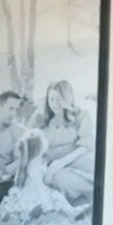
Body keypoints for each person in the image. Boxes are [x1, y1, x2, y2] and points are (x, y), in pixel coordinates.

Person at [35, 79, 95, 209]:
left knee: (92, 168)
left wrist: (60, 163)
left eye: (59, 99)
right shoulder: (45, 122)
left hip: (78, 159)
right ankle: (79, 200)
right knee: (58, 179)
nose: (55, 104)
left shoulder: (82, 116)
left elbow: (86, 146)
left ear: (67, 98)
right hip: (57, 168)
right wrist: (49, 168)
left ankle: (91, 195)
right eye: (52, 100)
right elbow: (41, 152)